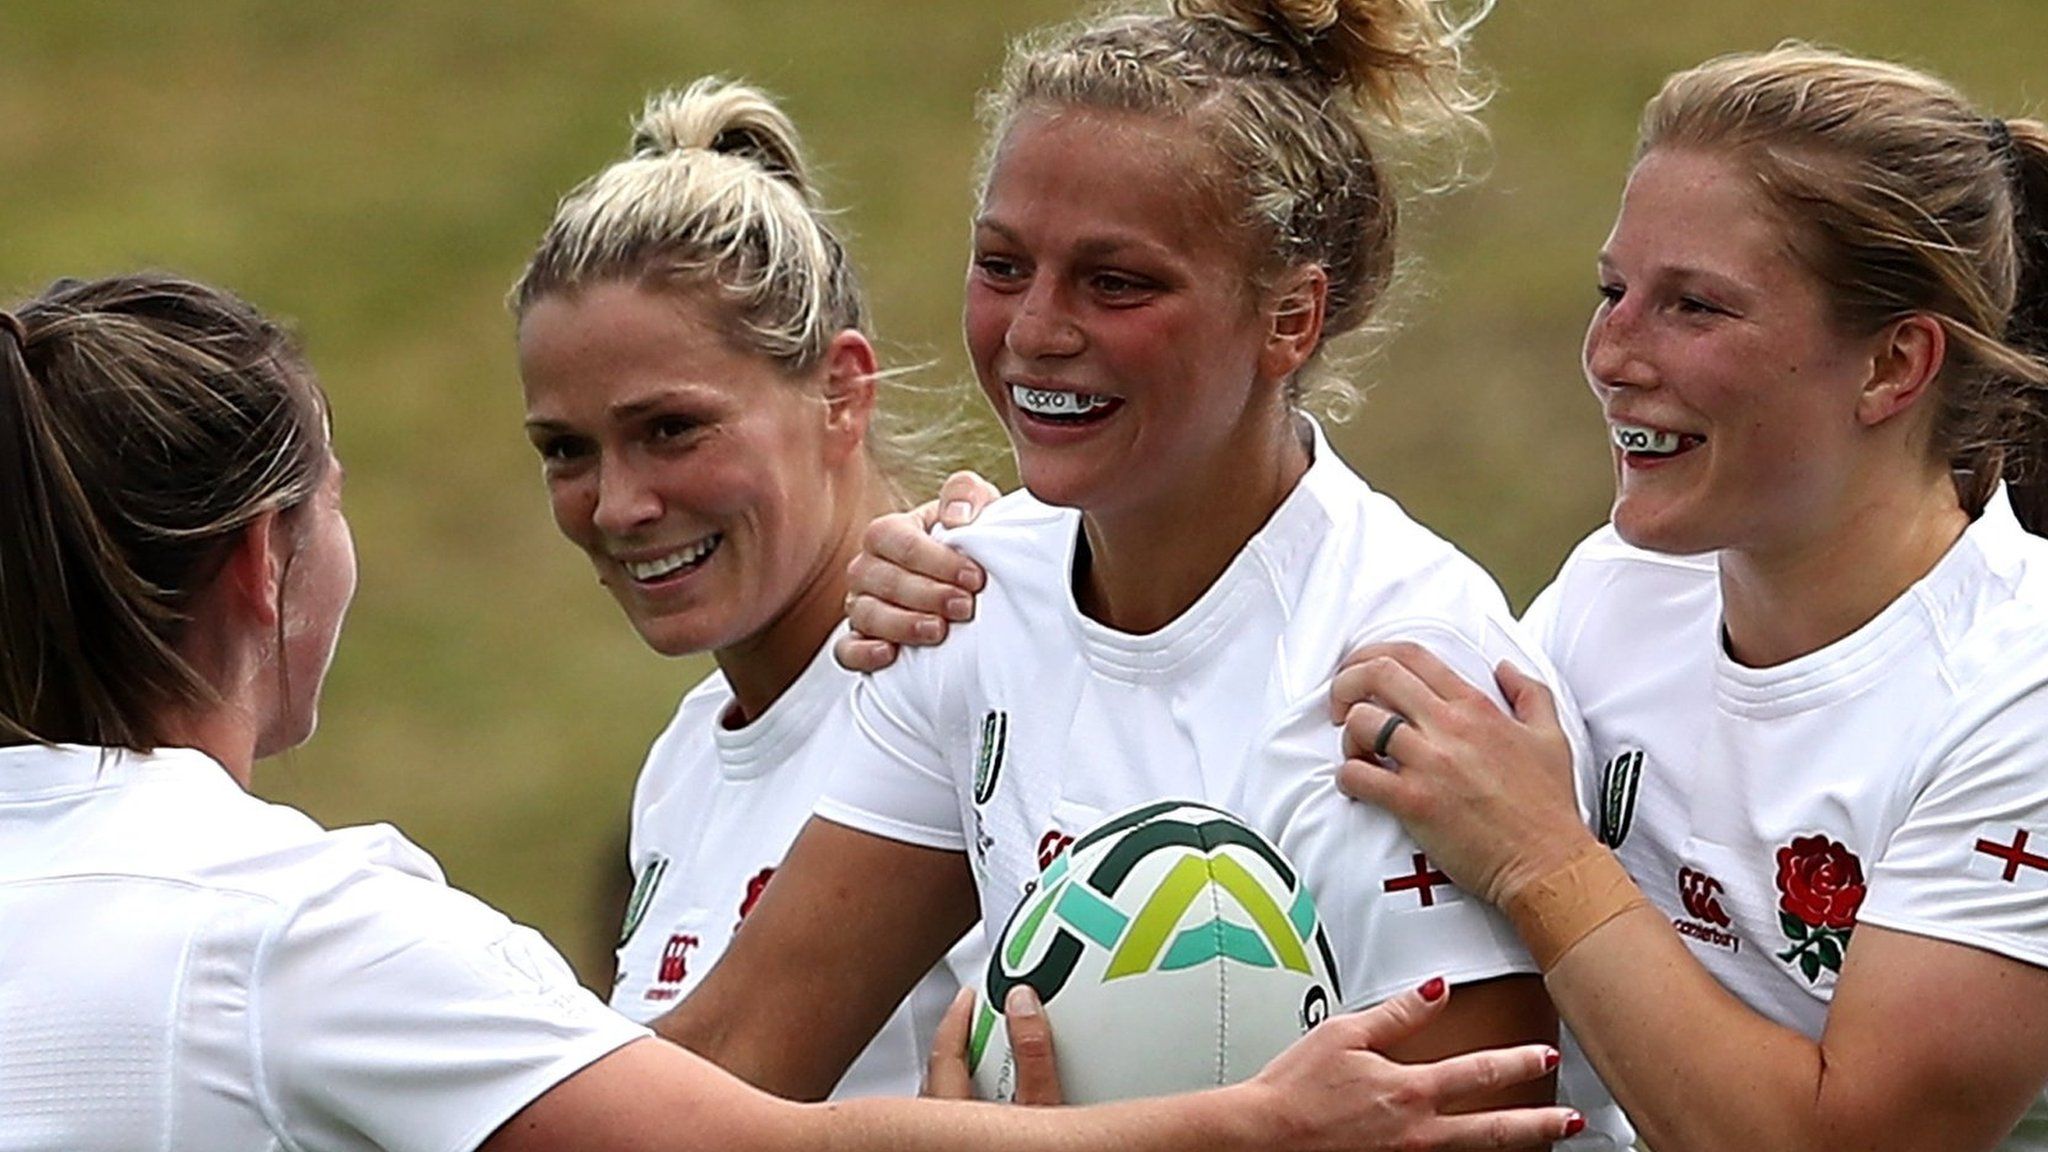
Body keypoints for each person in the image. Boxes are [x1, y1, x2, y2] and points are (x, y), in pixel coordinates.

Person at [0, 271, 1580, 1151]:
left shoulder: (935, 655)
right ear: (268, 562)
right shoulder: (296, 930)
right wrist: (1251, 1128)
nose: (616, 504)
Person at [659, 1, 1608, 1140]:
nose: (1035, 332)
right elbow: (730, 1062)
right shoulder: (966, 600)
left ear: (1288, 317)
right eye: (1002, 266)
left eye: (1115, 283)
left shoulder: (1406, 670)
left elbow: (1480, 1126)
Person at [1317, 44, 2048, 1152]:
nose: (1609, 353)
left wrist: (1543, 860)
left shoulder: (2017, 690)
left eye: (1693, 308)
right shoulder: (1618, 595)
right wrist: (1024, 564)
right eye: (1613, 291)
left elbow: (1841, 1142)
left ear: (1893, 366)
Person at [508, 77, 981, 1100]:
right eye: (565, 451)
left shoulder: (970, 655)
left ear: (840, 393)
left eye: (669, 429)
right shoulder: (683, 762)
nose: (618, 504)